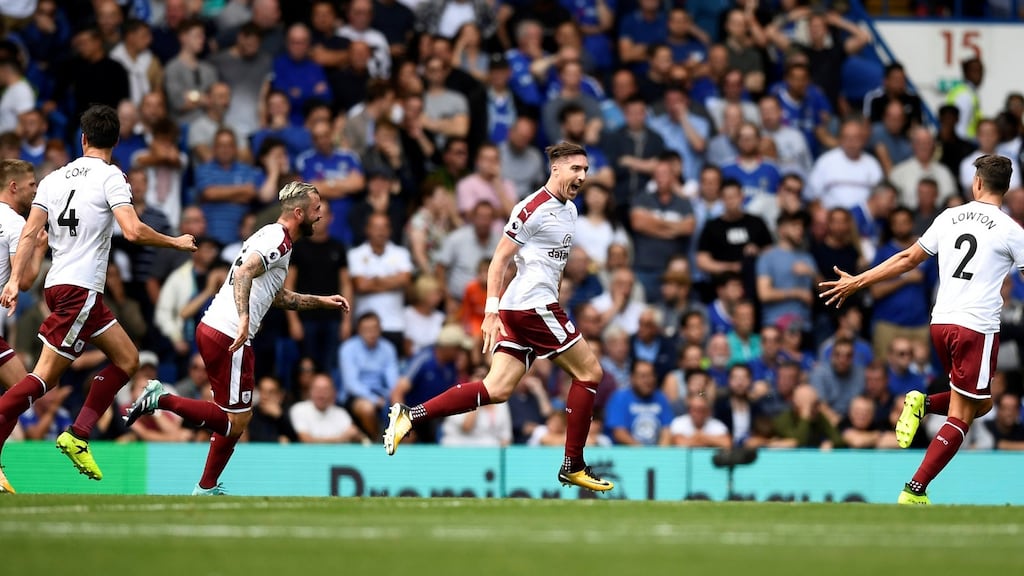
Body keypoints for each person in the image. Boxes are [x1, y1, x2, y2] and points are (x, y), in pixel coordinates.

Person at [382, 142, 613, 492]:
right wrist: (491, 311)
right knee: (590, 372)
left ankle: (409, 415)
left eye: (585, 170)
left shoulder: (570, 211)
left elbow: (555, 266)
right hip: (529, 306)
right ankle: (573, 464)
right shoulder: (531, 207)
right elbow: (499, 260)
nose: (581, 176)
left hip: (534, 304)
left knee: (497, 388)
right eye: (574, 169)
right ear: (555, 169)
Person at [0, 105, 197, 484]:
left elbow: (28, 234)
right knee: (42, 378)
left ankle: (78, 434)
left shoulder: (54, 178)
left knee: (128, 359)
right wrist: (174, 241)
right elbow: (134, 231)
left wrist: (12, 282)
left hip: (61, 284)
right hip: (81, 289)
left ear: (83, 138)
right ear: (117, 141)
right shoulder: (112, 177)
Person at [820, 155, 1024, 505]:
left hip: (940, 323)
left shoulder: (949, 217)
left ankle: (922, 403)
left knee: (982, 402)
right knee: (963, 414)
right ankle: (914, 489)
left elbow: (907, 259)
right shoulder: (1011, 230)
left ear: (976, 183)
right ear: (1005, 188)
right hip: (976, 327)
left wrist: (859, 281)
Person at [124, 182, 350, 495]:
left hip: (215, 329)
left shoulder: (271, 235)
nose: (321, 214)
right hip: (230, 334)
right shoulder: (279, 239)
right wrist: (244, 317)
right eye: (316, 209)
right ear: (299, 213)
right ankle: (161, 399)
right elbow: (245, 272)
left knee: (235, 416)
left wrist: (322, 300)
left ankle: (206, 486)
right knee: (235, 422)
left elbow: (276, 295)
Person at [0, 159, 49, 493]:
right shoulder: (17, 224)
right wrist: (40, 248)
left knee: (20, 388)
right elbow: (27, 279)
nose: (36, 189)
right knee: (22, 390)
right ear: (14, 186)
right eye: (32, 184)